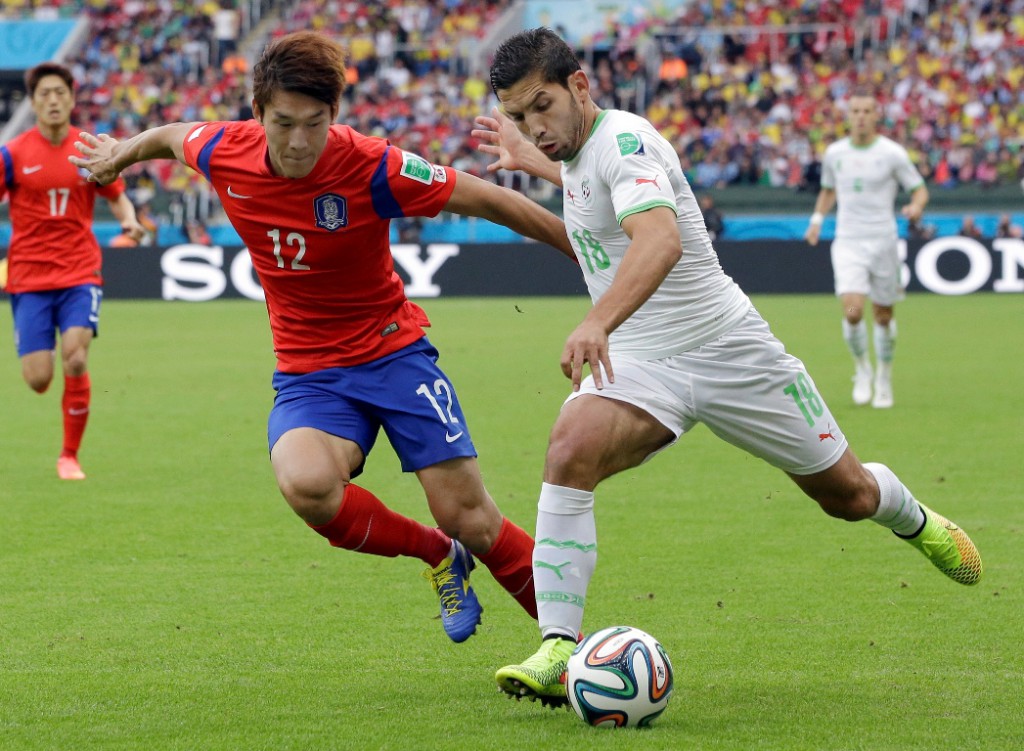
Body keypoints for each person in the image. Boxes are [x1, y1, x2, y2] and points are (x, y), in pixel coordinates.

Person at [472, 28, 982, 706]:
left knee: (849, 497)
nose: (535, 127)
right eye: (518, 116)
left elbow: (661, 241)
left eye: (542, 106)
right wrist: (534, 163)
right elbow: (588, 192)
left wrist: (597, 321)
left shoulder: (627, 142)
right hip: (644, 362)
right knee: (570, 449)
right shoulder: (577, 152)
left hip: (731, 350)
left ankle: (913, 517)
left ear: (580, 86)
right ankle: (559, 646)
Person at [71, 31, 577, 642]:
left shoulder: (372, 164)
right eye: (283, 123)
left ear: (334, 113)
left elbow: (490, 201)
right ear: (257, 113)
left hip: (394, 355)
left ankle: (572, 646)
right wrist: (120, 154)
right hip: (310, 373)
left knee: (470, 518)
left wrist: (582, 252)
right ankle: (438, 555)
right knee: (306, 484)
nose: (298, 141)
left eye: (315, 124)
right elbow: (171, 136)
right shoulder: (224, 149)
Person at [0, 62, 145, 480]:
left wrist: (130, 220)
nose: (53, 100)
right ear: (33, 102)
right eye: (44, 94)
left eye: (60, 92)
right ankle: (43, 359)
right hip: (29, 276)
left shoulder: (88, 149)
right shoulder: (12, 154)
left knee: (76, 357)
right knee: (38, 379)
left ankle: (69, 456)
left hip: (80, 270)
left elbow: (116, 194)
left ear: (71, 99)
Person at [804, 86, 929, 409]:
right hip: (848, 241)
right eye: (855, 111)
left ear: (876, 115)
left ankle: (884, 376)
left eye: (866, 111)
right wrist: (817, 220)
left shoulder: (892, 154)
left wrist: (916, 207)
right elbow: (828, 190)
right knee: (853, 311)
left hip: (883, 241)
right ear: (849, 116)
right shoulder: (835, 153)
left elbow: (919, 189)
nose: (860, 117)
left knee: (883, 316)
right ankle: (862, 369)